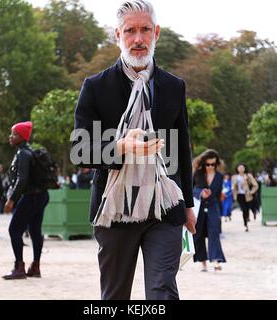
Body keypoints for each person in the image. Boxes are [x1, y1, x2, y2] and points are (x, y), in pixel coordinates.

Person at [72, 0, 196, 300]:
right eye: (130, 31)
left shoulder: (173, 86)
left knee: (162, 291)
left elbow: (181, 145)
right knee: (115, 297)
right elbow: (80, 151)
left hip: (165, 207)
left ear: (157, 33)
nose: (138, 39)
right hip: (114, 209)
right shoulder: (96, 87)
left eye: (145, 30)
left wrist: (188, 204)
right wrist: (120, 147)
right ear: (118, 35)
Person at [3, 121, 49, 280]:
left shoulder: (23, 154)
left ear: (21, 137)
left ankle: (19, 267)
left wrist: (11, 200)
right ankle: (35, 267)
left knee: (14, 230)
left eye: (14, 134)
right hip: (41, 195)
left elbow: (22, 180)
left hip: (30, 196)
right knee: (35, 231)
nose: (10, 137)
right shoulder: (31, 152)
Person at [192, 149, 226, 272]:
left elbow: (218, 196)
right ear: (203, 163)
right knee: (198, 234)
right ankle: (203, 263)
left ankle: (216, 260)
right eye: (208, 164)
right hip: (199, 207)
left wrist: (221, 212)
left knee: (214, 233)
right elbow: (189, 189)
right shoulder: (197, 173)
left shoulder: (220, 176)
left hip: (213, 207)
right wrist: (200, 192)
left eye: (213, 164)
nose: (210, 166)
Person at [232, 164, 258, 232]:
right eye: (239, 167)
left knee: (247, 208)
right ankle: (245, 224)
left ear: (244, 169)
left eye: (242, 167)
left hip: (247, 195)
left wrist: (251, 192)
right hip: (239, 195)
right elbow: (233, 187)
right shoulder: (234, 177)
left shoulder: (248, 176)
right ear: (237, 169)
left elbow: (255, 185)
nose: (240, 169)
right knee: (243, 209)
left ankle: (249, 216)